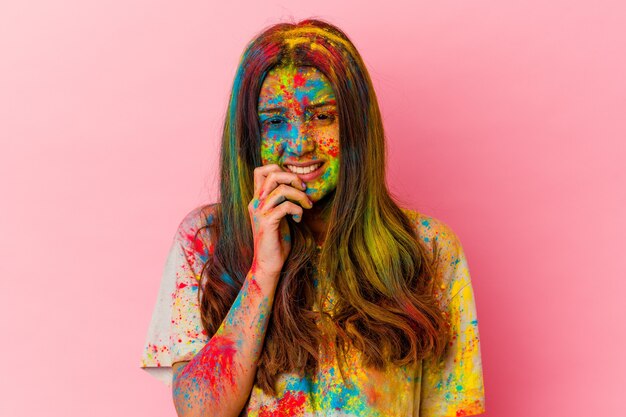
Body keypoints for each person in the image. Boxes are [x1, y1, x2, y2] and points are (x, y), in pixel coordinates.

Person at [140, 19, 485, 417]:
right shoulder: (206, 240)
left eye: (322, 116)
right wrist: (263, 271)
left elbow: (456, 408)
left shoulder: (429, 248)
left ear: (354, 126)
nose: (299, 142)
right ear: (251, 135)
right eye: (274, 121)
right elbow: (200, 412)